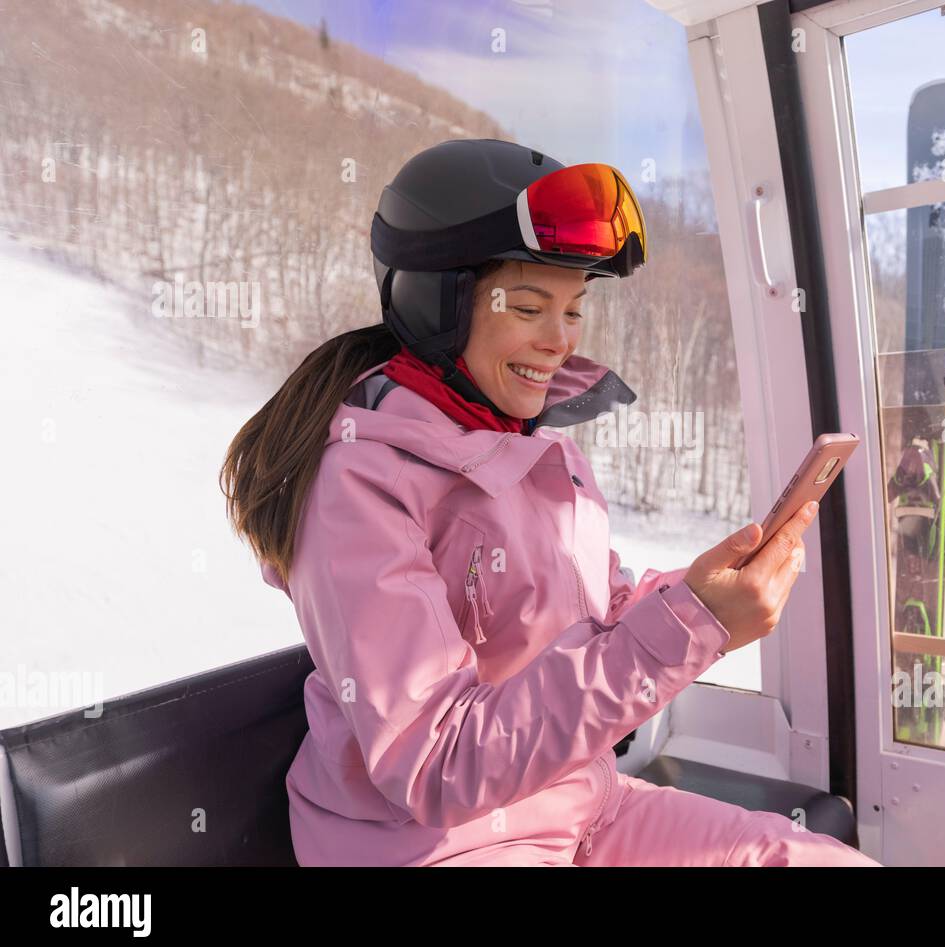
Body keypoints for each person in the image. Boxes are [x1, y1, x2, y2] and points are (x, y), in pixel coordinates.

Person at [221, 139, 879, 867]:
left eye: (574, 309)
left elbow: (598, 624)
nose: (560, 340)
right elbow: (432, 760)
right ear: (432, 304)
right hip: (430, 847)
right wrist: (692, 628)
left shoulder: (541, 450)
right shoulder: (357, 484)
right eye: (530, 306)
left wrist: (698, 599)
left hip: (582, 807)